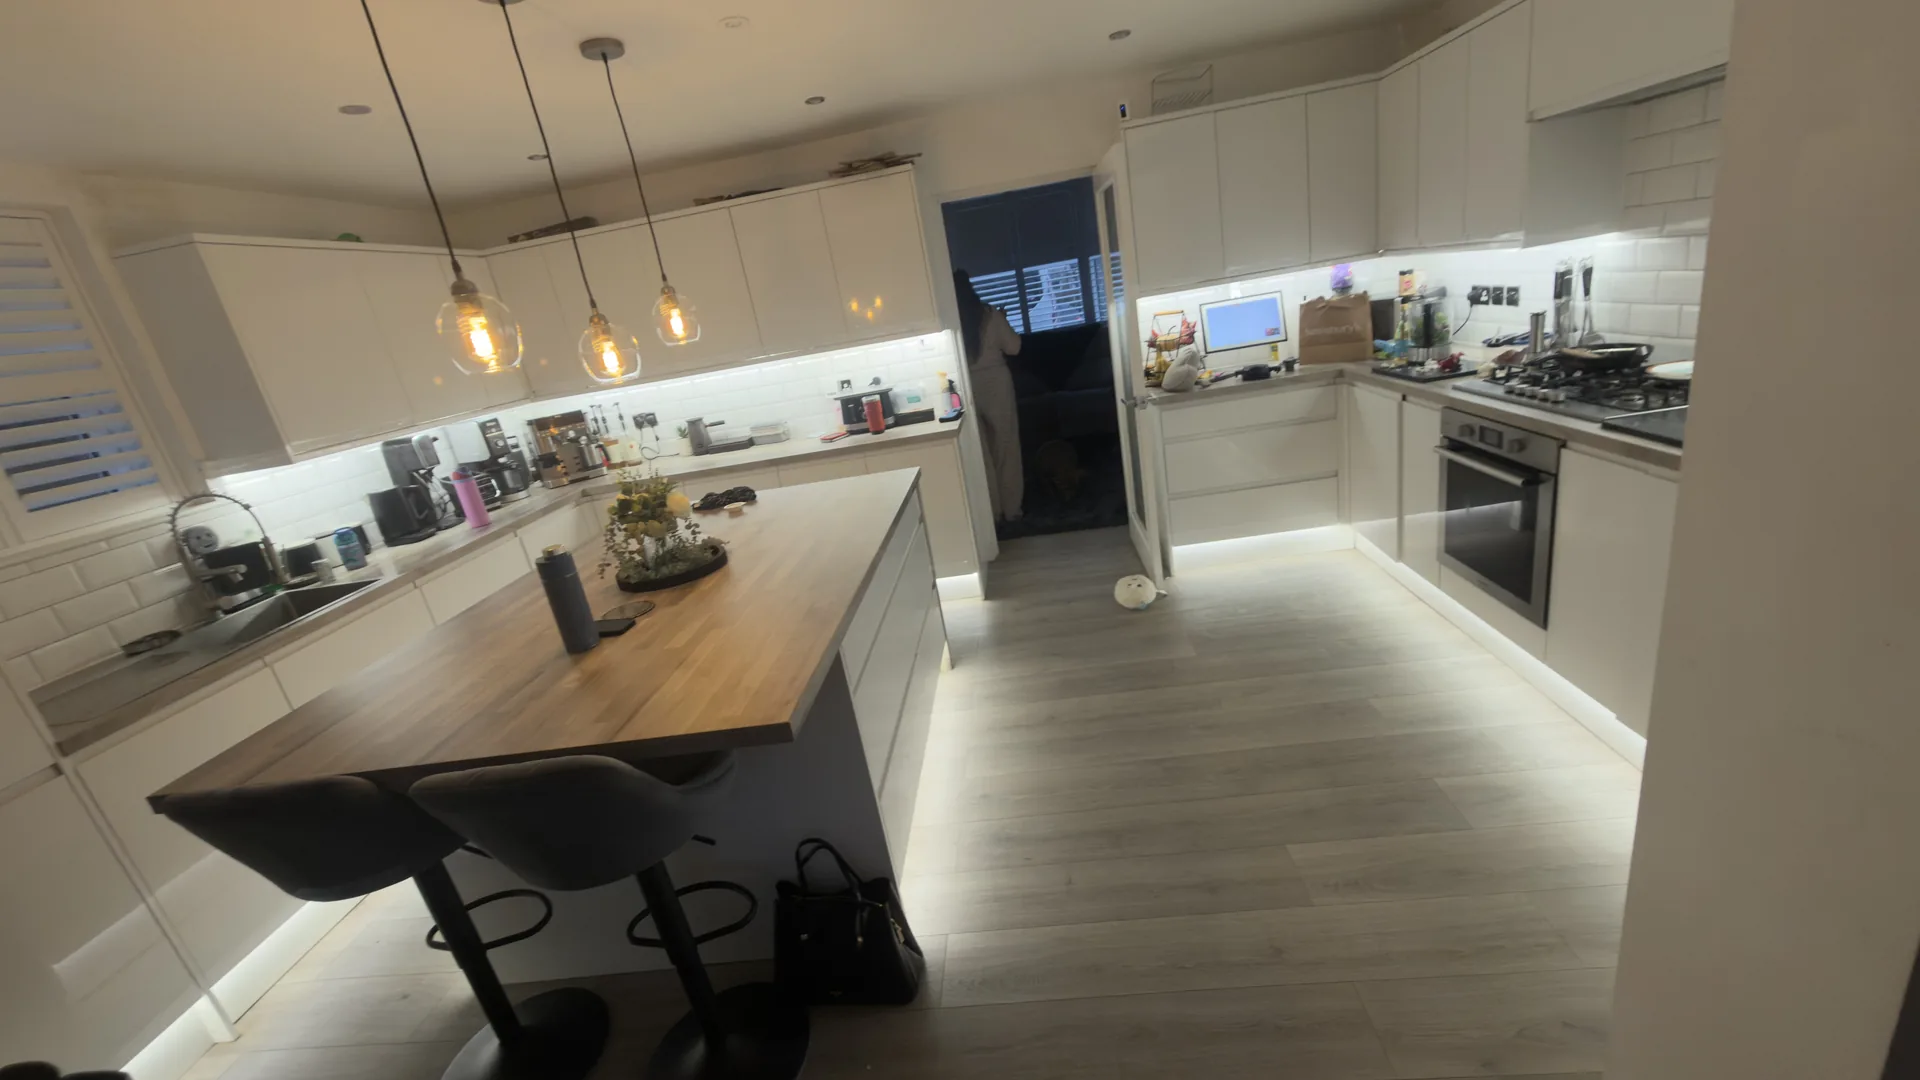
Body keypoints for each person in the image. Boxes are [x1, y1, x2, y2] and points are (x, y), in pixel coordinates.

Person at [953, 269, 1024, 522]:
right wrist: (1003, 321)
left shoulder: (952, 319)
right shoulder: (989, 314)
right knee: (1005, 446)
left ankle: (992, 512)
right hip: (996, 382)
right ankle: (1011, 509)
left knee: (980, 453)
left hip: (966, 385)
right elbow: (1014, 347)